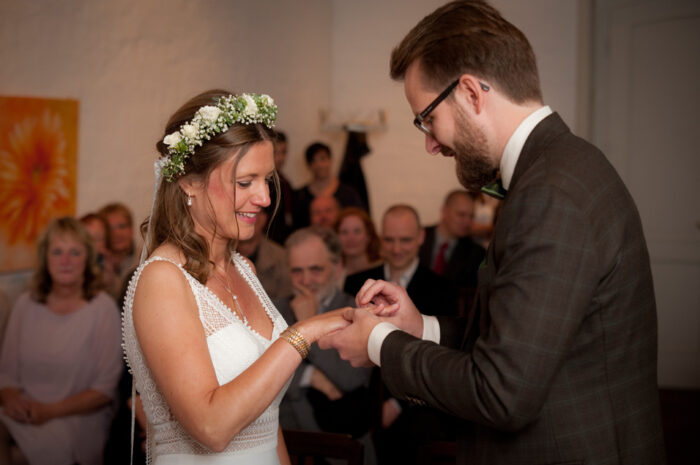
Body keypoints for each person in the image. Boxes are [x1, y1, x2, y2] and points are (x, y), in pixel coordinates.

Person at [321, 2, 666, 465]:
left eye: (427, 119)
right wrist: (418, 328)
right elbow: (523, 338)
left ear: (470, 93)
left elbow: (502, 391)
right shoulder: (563, 166)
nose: (430, 144)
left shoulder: (550, 194)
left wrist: (379, 343)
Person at [121, 89, 349, 465]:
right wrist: (304, 332)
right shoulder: (163, 280)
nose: (264, 198)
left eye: (267, 180)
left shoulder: (245, 269)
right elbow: (211, 427)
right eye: (245, 183)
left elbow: (266, 417)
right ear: (189, 182)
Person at [0, 217, 123, 465]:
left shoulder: (103, 309)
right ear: (45, 258)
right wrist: (12, 401)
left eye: (74, 253)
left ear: (88, 259)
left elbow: (104, 390)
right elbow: (7, 375)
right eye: (57, 252)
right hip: (25, 414)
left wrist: (48, 412)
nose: (65, 260)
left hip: (77, 420)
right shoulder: (25, 304)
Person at [274, 227, 373, 461]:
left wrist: (308, 323)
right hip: (285, 441)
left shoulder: (357, 311)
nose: (306, 280)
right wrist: (312, 377)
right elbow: (261, 373)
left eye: (316, 269)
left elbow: (351, 378)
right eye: (297, 271)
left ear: (337, 268)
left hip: (341, 445)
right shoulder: (276, 310)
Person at [344, 205, 457, 317]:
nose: (396, 249)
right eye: (389, 240)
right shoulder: (355, 284)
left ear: (421, 237)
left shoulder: (444, 290)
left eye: (405, 240)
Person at [418, 190, 485, 315]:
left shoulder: (476, 253)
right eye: (461, 215)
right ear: (444, 211)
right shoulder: (418, 238)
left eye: (471, 217)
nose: (467, 222)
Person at [292, 142, 364, 229]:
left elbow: (360, 221)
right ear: (308, 165)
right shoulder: (300, 196)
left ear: (330, 160)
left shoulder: (349, 194)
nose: (319, 165)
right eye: (313, 161)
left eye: (323, 159)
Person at [237, 209, 293, 300]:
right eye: (240, 215)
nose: (245, 221)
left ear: (263, 218)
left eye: (251, 214)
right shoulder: (219, 256)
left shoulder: (281, 258)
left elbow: (285, 302)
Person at [98, 202, 139, 299]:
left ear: (131, 230)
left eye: (122, 226)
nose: (116, 234)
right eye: (110, 228)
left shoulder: (145, 259)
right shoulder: (96, 263)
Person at [334, 207, 381, 284]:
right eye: (344, 232)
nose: (350, 238)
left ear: (368, 236)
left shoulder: (384, 271)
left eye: (357, 231)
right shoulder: (333, 277)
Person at [266, 130, 295, 244]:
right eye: (275, 152)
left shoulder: (285, 182)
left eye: (283, 152)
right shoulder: (264, 181)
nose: (280, 158)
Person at [80, 212, 118, 293]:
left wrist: (109, 277)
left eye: (98, 239)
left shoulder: (106, 264)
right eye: (87, 239)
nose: (92, 244)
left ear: (106, 243)